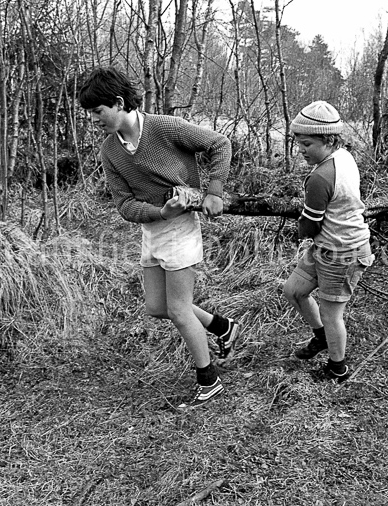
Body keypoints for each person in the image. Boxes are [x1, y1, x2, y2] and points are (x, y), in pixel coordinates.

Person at [78, 66, 241, 409]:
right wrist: (157, 214)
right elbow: (123, 204)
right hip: (153, 228)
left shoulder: (163, 127)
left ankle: (208, 381)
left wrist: (214, 191)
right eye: (90, 114)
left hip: (182, 226)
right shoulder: (110, 150)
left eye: (97, 111)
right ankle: (223, 327)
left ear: (119, 102)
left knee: (179, 310)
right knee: (157, 307)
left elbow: (219, 144)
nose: (94, 119)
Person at [282, 101, 374, 382]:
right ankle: (321, 337)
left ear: (330, 139)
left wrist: (297, 231)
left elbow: (309, 225)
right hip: (325, 246)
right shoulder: (343, 155)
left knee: (331, 313)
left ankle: (338, 369)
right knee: (293, 290)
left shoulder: (321, 176)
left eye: (307, 143)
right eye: (298, 142)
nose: (301, 150)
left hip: (343, 251)